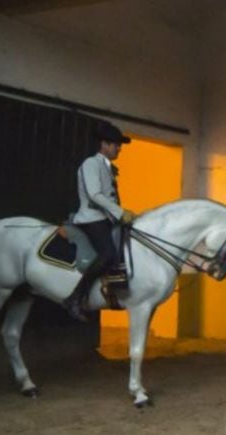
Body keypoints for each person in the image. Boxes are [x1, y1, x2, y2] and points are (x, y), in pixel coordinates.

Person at [62, 121, 136, 322]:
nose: (119, 148)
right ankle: (75, 298)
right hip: (91, 218)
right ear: (104, 144)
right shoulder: (91, 164)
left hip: (106, 218)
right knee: (107, 255)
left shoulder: (108, 167)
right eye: (116, 144)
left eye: (119, 145)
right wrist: (120, 212)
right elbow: (94, 194)